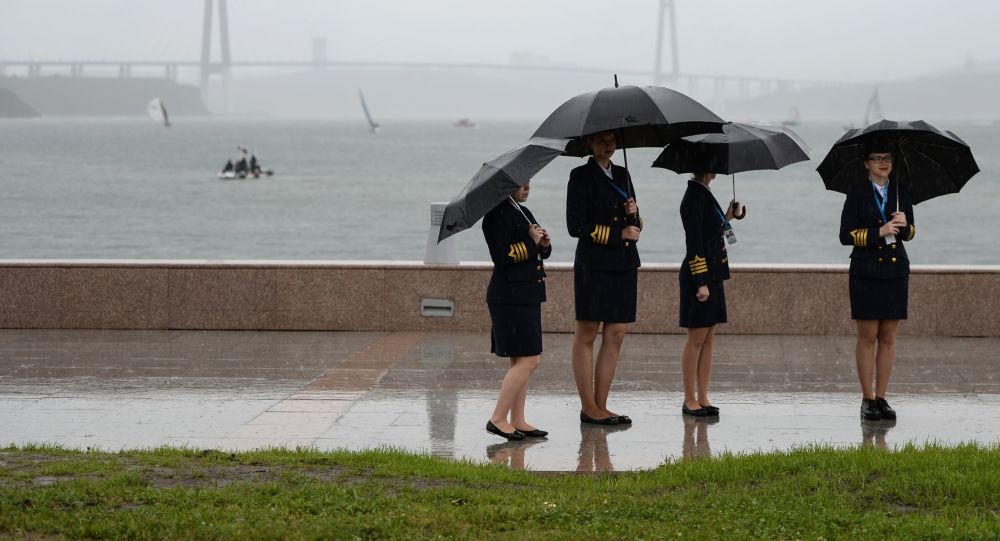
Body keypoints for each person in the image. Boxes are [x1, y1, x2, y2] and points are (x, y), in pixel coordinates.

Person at [566, 130, 641, 426]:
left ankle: (603, 404)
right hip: (593, 264)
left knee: (616, 332)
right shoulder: (579, 176)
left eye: (611, 140)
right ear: (588, 143)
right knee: (587, 333)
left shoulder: (623, 173)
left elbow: (637, 224)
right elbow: (575, 225)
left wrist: (634, 216)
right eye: (600, 140)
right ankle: (589, 407)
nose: (607, 145)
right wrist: (616, 233)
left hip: (623, 263)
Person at [839, 150, 915, 421]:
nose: (884, 163)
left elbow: (911, 232)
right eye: (877, 158)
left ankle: (882, 397)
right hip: (866, 270)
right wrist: (877, 232)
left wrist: (905, 226)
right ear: (866, 163)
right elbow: (845, 235)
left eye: (888, 158)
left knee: (889, 337)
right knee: (868, 336)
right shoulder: (857, 192)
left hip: (895, 270)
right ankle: (867, 399)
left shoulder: (900, 190)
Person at [482, 183, 551, 441]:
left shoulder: (523, 212)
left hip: (526, 294)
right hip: (509, 296)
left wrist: (543, 244)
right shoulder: (495, 216)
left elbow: (537, 250)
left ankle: (518, 419)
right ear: (506, 186)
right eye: (521, 184)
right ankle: (497, 419)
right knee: (530, 360)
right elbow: (502, 256)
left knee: (520, 360)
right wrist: (531, 242)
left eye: (530, 182)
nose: (527, 187)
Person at [678, 172, 743, 417]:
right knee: (696, 339)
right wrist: (701, 282)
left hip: (713, 275)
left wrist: (727, 216)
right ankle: (689, 399)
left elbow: (711, 230)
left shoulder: (703, 192)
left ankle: (703, 396)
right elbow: (694, 242)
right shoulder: (693, 196)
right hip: (700, 277)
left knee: (708, 339)